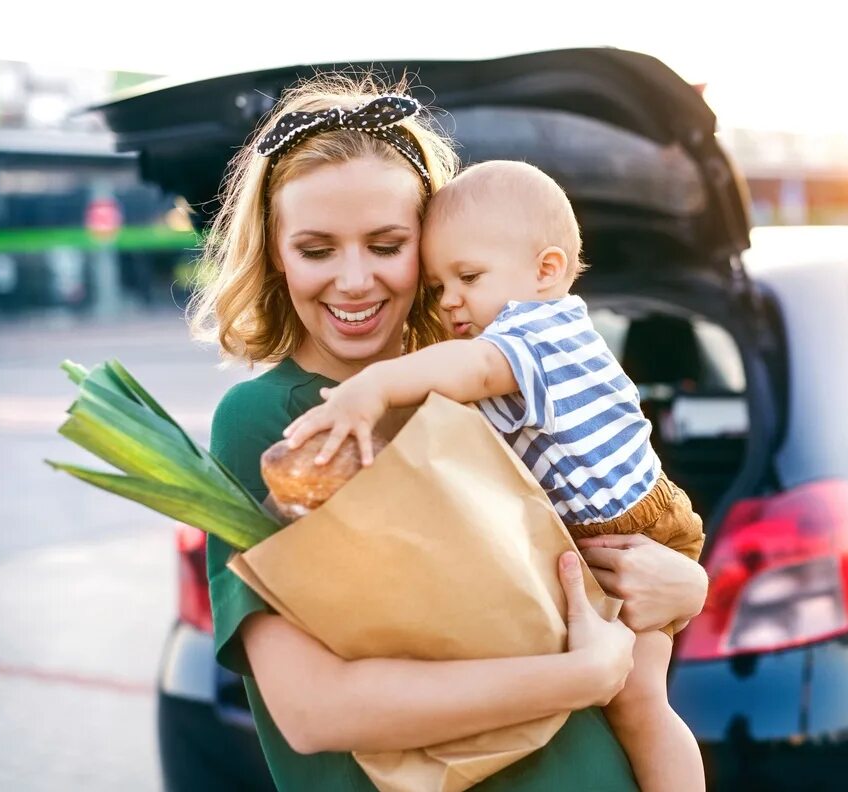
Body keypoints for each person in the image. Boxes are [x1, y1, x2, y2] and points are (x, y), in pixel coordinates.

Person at [192, 74, 708, 792]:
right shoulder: (271, 422)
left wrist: (687, 585)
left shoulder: (475, 391)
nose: (353, 280)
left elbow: (582, 556)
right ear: (276, 256)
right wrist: (579, 675)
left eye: (386, 244)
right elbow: (312, 711)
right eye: (316, 249)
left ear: (430, 248)